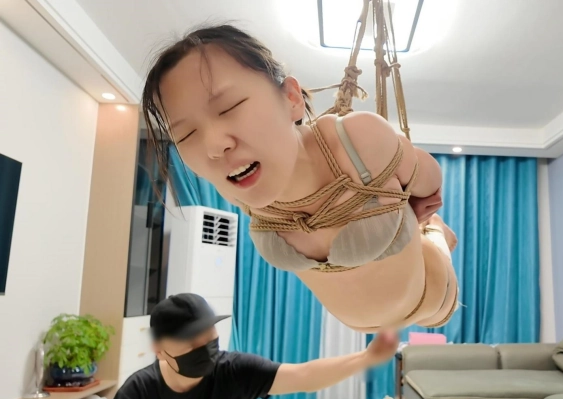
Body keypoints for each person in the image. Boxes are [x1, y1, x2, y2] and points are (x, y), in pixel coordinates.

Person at [141, 25, 460, 333]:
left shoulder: (357, 142)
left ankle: (436, 235)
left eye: (229, 107)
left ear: (291, 98)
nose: (213, 147)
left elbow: (429, 181)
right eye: (187, 134)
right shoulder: (239, 189)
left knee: (434, 258)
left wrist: (411, 201)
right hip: (359, 324)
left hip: (430, 299)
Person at [89, 293, 398, 399]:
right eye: (192, 341)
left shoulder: (234, 373)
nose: (205, 346)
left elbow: (304, 376)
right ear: (159, 350)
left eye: (209, 336)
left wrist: (366, 357)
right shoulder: (139, 392)